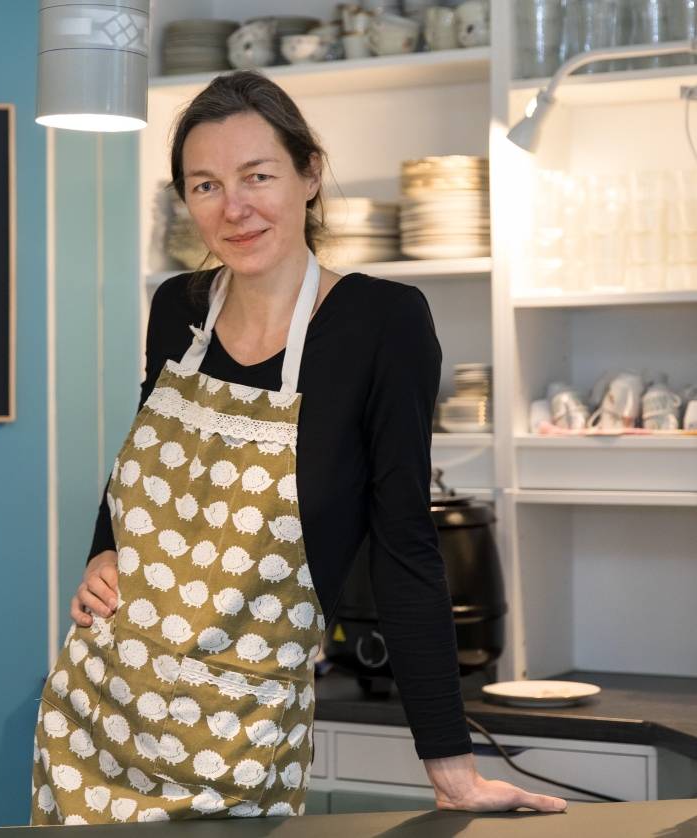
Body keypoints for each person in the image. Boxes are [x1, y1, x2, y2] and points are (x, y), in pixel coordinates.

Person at [30, 70, 566, 824]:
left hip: (237, 738)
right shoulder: (175, 308)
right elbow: (137, 467)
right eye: (206, 184)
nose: (234, 207)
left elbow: (404, 543)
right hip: (94, 714)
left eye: (258, 176)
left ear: (309, 174)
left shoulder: (383, 323)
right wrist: (102, 550)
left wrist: (450, 767)